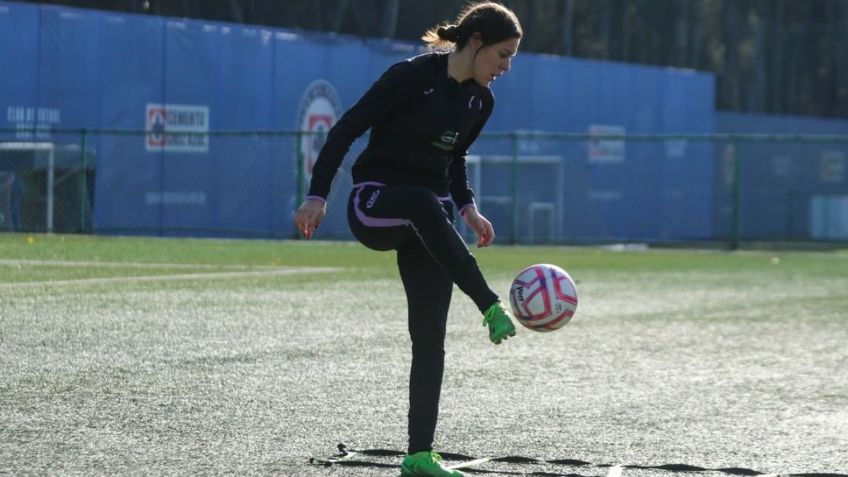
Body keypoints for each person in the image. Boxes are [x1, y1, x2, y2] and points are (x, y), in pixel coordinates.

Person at [294, 3, 522, 476]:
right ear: (475, 40)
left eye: (511, 58)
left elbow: (454, 159)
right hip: (375, 203)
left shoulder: (481, 101)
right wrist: (318, 196)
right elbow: (345, 129)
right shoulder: (410, 76)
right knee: (421, 202)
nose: (506, 67)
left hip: (430, 219)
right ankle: (488, 304)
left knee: (430, 337)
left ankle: (419, 455)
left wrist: (467, 207)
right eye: (502, 55)